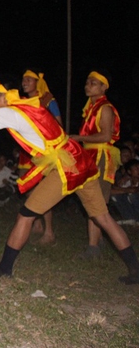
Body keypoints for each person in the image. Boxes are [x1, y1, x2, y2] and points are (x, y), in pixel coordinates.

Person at [0, 77, 139, 284]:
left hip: (65, 168)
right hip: (80, 162)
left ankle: (4, 268)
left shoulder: (14, 113)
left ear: (4, 97)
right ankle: (135, 269)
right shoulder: (23, 107)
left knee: (25, 215)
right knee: (104, 218)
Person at [69, 70, 121, 259]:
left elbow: (106, 136)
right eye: (87, 82)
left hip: (100, 156)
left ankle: (94, 247)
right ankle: (97, 243)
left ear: (103, 87)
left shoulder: (105, 108)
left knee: (96, 201)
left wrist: (79, 137)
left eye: (93, 83)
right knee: (93, 200)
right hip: (90, 154)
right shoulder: (92, 107)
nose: (87, 86)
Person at [20, 69, 63, 245]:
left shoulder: (48, 101)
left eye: (28, 80)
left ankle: (49, 232)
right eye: (23, 79)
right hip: (28, 150)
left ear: (37, 83)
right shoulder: (24, 101)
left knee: (44, 191)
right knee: (30, 189)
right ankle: (37, 225)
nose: (24, 82)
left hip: (43, 151)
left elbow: (59, 124)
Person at [109, 159, 139, 226]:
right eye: (136, 168)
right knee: (115, 196)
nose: (138, 170)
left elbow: (135, 190)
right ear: (129, 171)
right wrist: (123, 189)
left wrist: (122, 189)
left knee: (132, 196)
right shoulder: (127, 182)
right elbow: (112, 191)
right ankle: (130, 219)